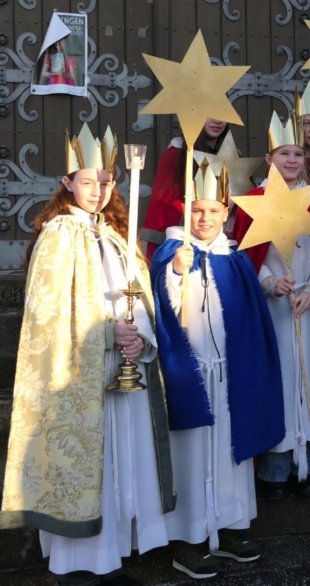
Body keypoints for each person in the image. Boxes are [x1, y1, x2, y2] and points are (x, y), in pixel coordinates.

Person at [0, 124, 175, 586]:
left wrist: (140, 337)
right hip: (79, 371)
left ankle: (108, 558)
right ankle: (77, 566)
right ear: (67, 182)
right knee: (86, 465)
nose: (98, 191)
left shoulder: (117, 235)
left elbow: (140, 299)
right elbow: (51, 313)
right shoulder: (59, 235)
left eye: (106, 182)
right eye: (88, 181)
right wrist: (107, 331)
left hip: (123, 365)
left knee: (119, 462)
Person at [151, 161, 285, 578]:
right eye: (197, 211)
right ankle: (189, 538)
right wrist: (176, 273)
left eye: (213, 211)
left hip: (231, 371)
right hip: (190, 373)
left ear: (226, 212)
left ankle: (230, 526)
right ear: (185, 211)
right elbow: (160, 307)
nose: (205, 219)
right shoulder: (171, 252)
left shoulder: (235, 257)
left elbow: (251, 316)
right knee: (191, 455)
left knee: (232, 451)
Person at [232, 111, 310, 498]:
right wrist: (269, 281)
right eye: (285, 154)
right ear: (269, 159)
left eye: (298, 154)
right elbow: (246, 256)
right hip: (273, 310)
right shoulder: (252, 202)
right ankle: (276, 470)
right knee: (278, 383)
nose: (293, 160)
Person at [141, 119, 230, 258]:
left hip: (215, 242)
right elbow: (166, 207)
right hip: (178, 243)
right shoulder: (176, 154)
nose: (217, 120)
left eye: (222, 114)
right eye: (208, 113)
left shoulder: (228, 154)